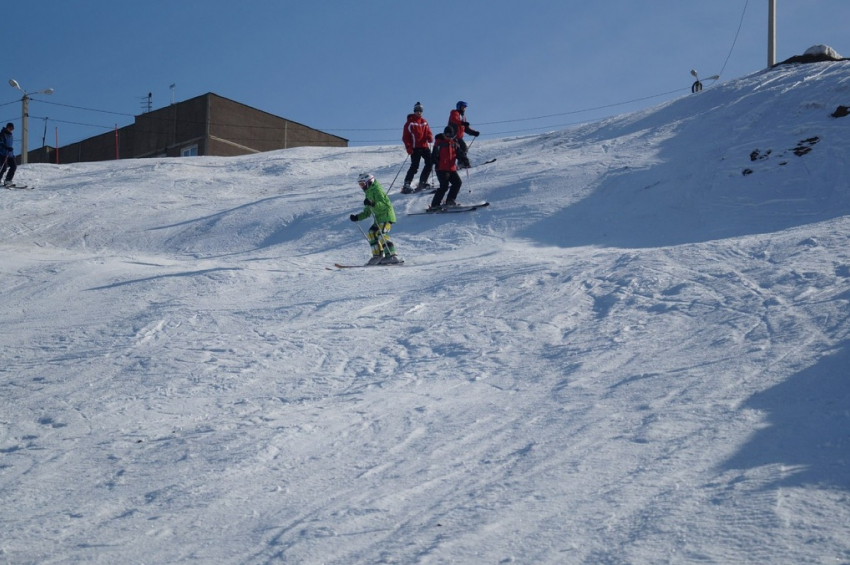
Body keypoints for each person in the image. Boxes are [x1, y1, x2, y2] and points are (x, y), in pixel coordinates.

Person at [349, 172, 401, 265]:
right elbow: (368, 211)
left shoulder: (377, 190)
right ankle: (377, 255)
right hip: (379, 219)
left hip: (387, 216)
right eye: (360, 185)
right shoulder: (368, 193)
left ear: (369, 182)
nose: (362, 187)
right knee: (371, 233)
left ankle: (392, 255)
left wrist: (373, 203)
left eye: (362, 184)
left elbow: (384, 206)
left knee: (380, 233)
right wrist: (357, 217)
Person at [428, 125, 468, 211]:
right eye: (447, 136)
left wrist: (465, 159)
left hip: (451, 169)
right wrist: (434, 161)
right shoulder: (439, 143)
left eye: (451, 136)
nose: (449, 138)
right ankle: (435, 205)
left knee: (457, 183)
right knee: (444, 186)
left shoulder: (454, 143)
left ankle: (450, 200)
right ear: (444, 134)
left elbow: (460, 153)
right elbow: (433, 155)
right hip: (441, 169)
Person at [401, 102, 434, 193]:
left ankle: (422, 182)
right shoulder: (410, 123)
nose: (419, 112)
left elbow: (428, 132)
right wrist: (408, 147)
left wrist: (430, 137)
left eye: (420, 110)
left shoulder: (424, 122)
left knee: (430, 163)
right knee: (415, 166)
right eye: (417, 110)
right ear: (414, 111)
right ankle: (407, 183)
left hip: (424, 147)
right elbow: (405, 137)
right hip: (415, 148)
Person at [447, 101, 479, 165]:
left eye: (465, 108)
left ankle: (461, 163)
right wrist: (462, 123)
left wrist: (473, 132)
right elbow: (454, 120)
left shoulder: (463, 117)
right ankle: (452, 165)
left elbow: (466, 128)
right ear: (459, 107)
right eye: (463, 107)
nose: (464, 109)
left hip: (459, 137)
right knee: (456, 150)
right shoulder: (454, 112)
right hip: (452, 136)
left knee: (464, 148)